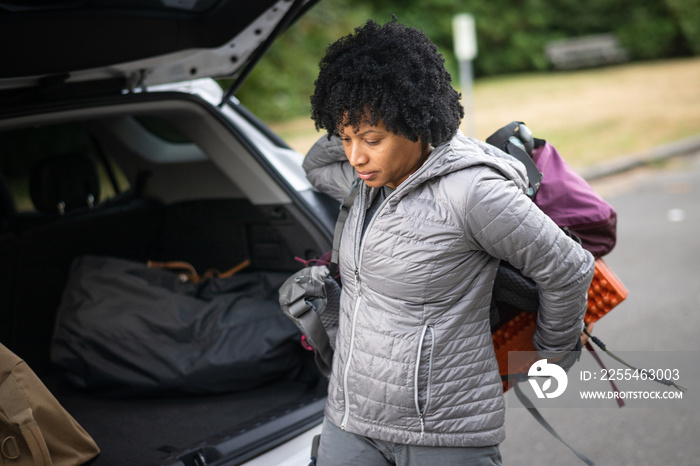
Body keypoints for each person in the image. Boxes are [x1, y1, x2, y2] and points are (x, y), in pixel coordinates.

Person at [302, 18, 595, 466]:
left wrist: (549, 355)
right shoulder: (366, 181)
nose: (355, 156)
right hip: (349, 417)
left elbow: (569, 268)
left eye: (372, 139)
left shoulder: (473, 192)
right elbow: (315, 167)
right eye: (346, 139)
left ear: (415, 123)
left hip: (441, 432)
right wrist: (351, 112)